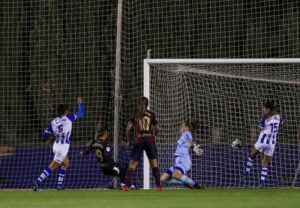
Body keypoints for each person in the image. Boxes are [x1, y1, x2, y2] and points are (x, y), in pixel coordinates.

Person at [33, 96, 84, 191]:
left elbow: (45, 134)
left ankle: (59, 186)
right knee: (52, 166)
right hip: (63, 147)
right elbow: (81, 113)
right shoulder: (69, 118)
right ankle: (37, 181)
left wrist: (48, 137)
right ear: (66, 112)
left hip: (56, 145)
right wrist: (80, 103)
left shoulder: (53, 122)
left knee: (66, 164)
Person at [79, 121, 135, 189]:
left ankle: (128, 185)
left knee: (122, 168)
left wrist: (82, 153)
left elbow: (86, 151)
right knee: (124, 169)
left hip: (102, 167)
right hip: (109, 166)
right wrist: (114, 166)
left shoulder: (94, 142)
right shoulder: (105, 144)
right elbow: (107, 156)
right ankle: (125, 186)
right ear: (105, 133)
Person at [123, 97, 162, 191]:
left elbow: (128, 129)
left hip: (139, 139)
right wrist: (155, 134)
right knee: (154, 164)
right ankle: (158, 186)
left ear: (139, 103)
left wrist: (128, 140)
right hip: (149, 139)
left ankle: (127, 186)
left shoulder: (135, 114)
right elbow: (158, 128)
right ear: (147, 104)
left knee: (132, 164)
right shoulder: (151, 114)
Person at [243, 100, 284, 188]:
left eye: (264, 108)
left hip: (263, 140)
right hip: (272, 143)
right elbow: (281, 121)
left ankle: (246, 173)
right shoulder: (279, 117)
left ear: (269, 109)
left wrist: (259, 129)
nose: (263, 110)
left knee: (252, 154)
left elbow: (259, 130)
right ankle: (261, 183)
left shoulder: (264, 119)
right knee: (265, 163)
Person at [160, 121, 204, 189]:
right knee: (163, 179)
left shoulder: (187, 134)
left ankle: (195, 185)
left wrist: (193, 147)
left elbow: (188, 142)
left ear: (186, 127)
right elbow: (189, 142)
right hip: (178, 161)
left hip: (183, 160)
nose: (180, 127)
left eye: (182, 125)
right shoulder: (185, 135)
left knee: (175, 175)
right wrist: (193, 146)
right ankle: (185, 182)